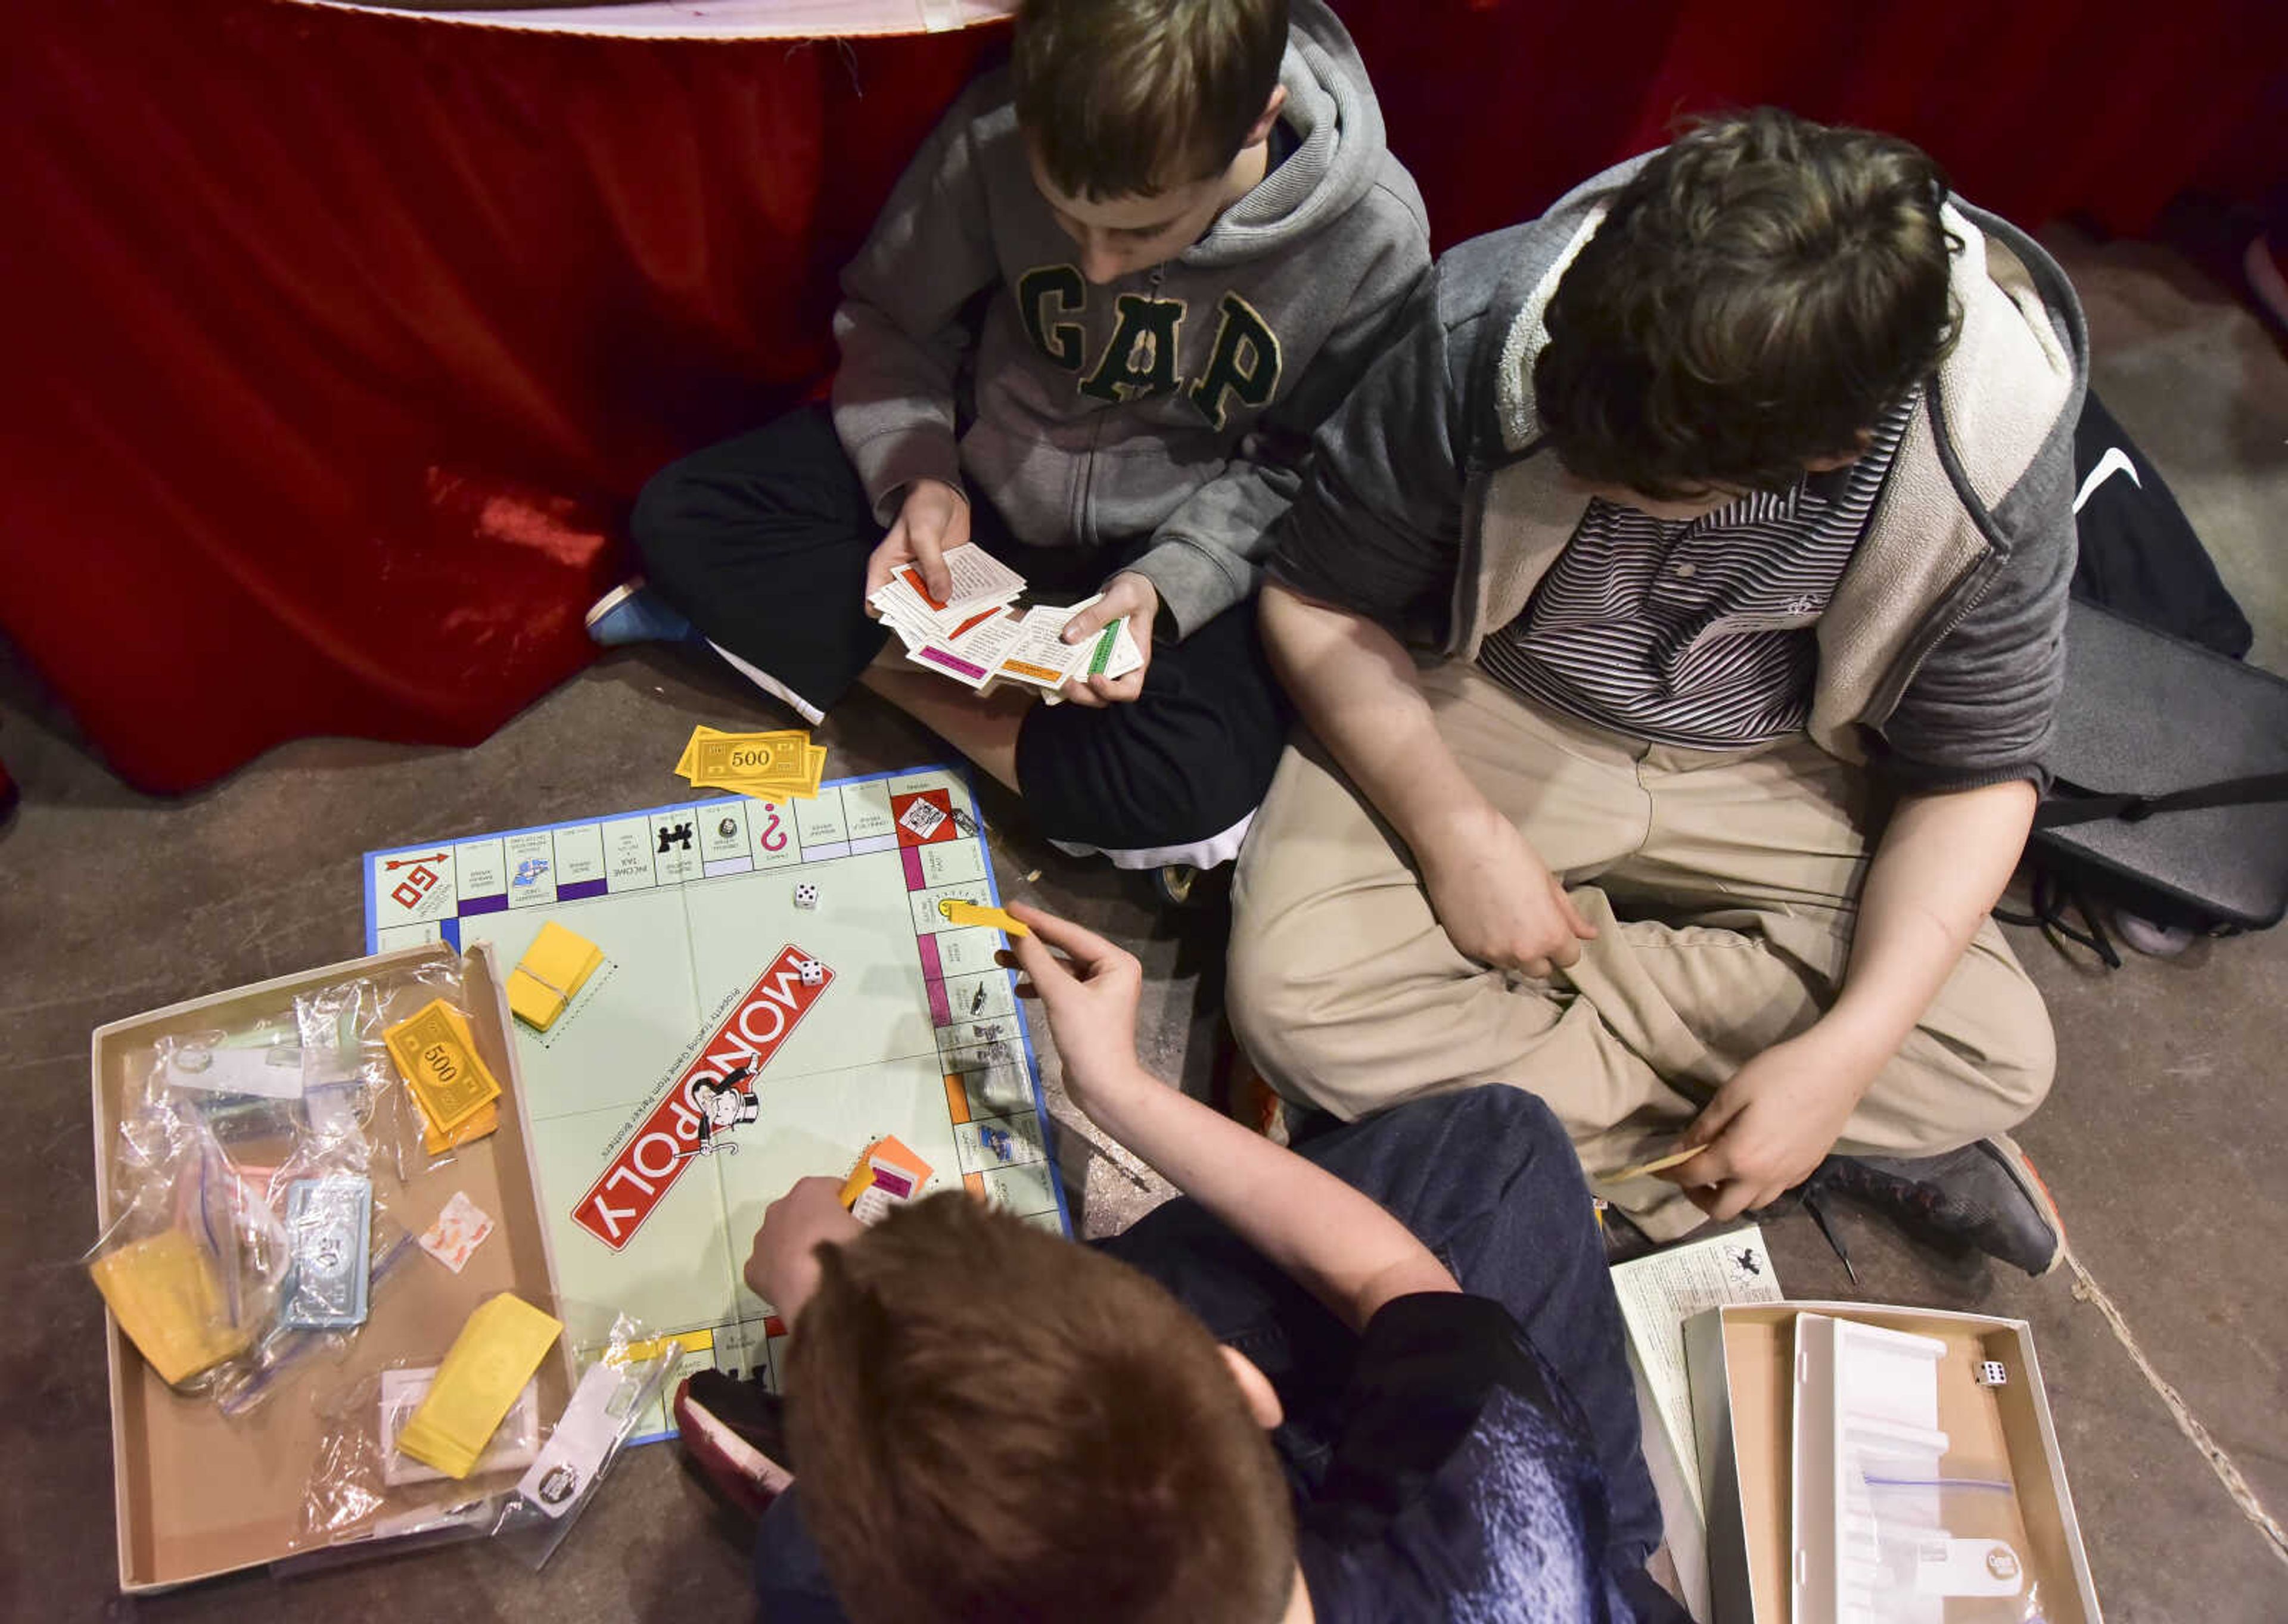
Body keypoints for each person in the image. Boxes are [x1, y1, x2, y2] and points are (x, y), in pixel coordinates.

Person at [1227, 109, 2086, 1273]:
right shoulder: (1497, 322)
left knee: (1994, 1053)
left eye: (1640, 484)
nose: (1574, 473)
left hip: (1779, 761)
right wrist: (1456, 831)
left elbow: (1978, 775)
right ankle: (1769, 1146)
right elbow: (1319, 598)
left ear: (1826, 455)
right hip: (1494, 703)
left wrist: (1839, 1059)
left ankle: (1545, 1131)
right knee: (1295, 1007)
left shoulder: (1989, 445)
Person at [601, 0, 1428, 886]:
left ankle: (836, 659)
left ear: (1259, 117)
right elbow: (892, 320)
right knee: (686, 513)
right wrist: (920, 477)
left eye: (1142, 229)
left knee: (1200, 783)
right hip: (985, 469)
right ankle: (1018, 741)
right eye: (1067, 222)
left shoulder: (1375, 232)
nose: (1101, 267)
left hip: (1168, 538)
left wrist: (1171, 579)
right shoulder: (995, 128)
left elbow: (1304, 469)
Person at [674, 906, 1683, 1623]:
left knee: (804, 1560)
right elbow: (1388, 1271)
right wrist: (1116, 1085)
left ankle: (843, 1487)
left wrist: (849, 1328)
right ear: (1241, 1387)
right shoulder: (1506, 1495)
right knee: (1503, 1148)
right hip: (1567, 1577)